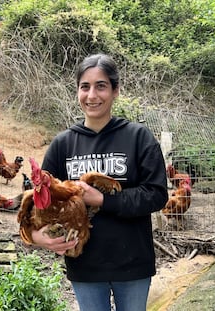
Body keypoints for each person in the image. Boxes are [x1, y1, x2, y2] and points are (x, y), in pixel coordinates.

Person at [31, 53, 168, 311]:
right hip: (84, 263)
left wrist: (103, 200)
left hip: (133, 262)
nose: (92, 95)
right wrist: (38, 236)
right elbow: (36, 202)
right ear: (77, 91)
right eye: (85, 87)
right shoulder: (63, 144)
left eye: (101, 86)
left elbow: (156, 194)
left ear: (115, 90)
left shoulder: (138, 137)